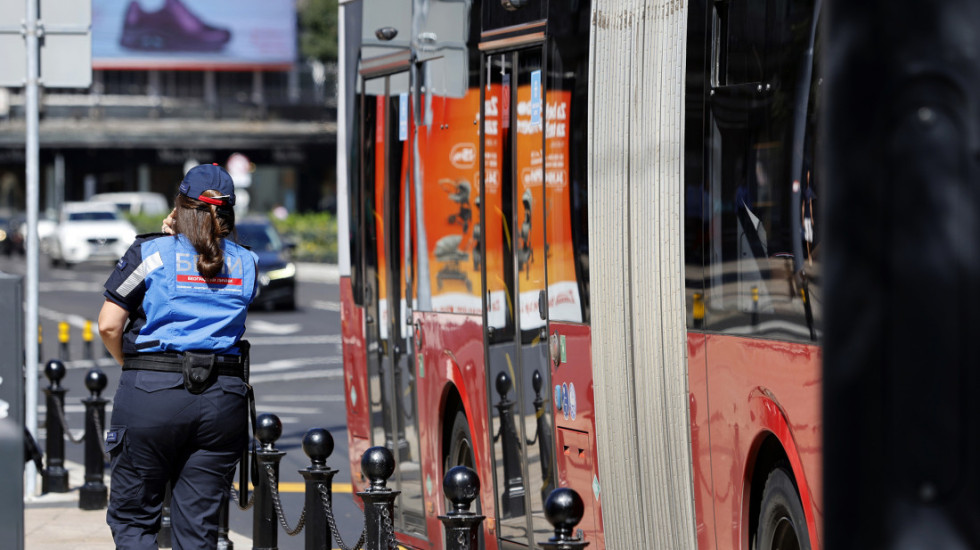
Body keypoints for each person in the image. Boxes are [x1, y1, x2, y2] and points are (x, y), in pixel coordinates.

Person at [98, 163, 258, 549]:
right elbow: (212, 267)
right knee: (199, 529)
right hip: (223, 400)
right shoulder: (247, 262)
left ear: (180, 207)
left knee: (135, 519)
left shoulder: (151, 252)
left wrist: (131, 366)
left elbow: (108, 325)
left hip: (151, 391)